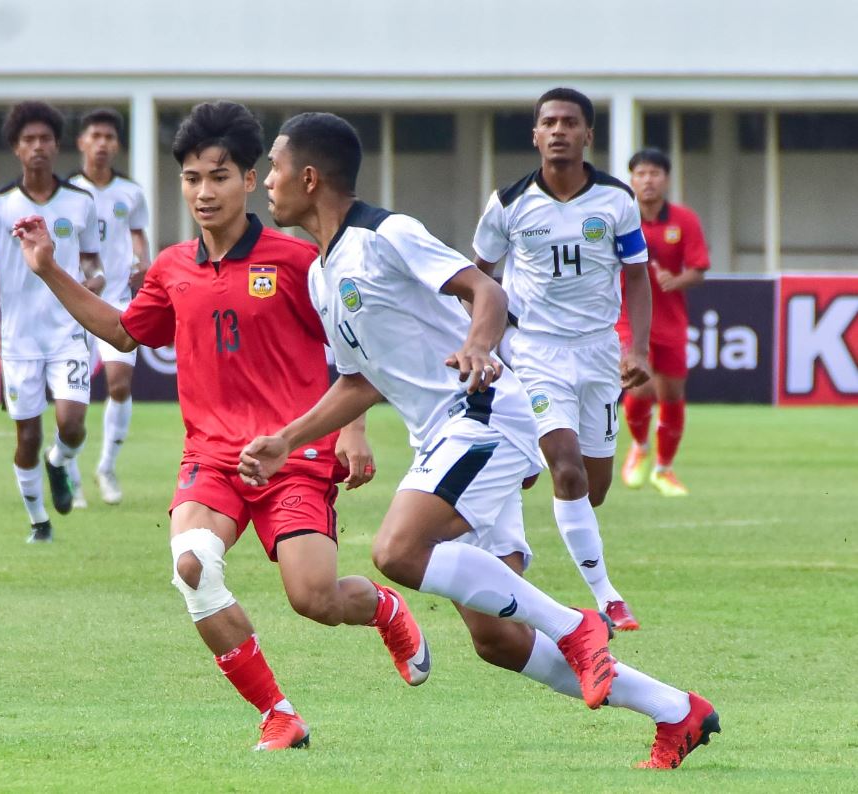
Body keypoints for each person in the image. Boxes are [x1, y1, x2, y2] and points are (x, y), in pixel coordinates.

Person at [239, 111, 718, 769]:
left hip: (484, 414)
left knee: (398, 549)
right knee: (494, 638)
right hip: (444, 437)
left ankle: (577, 626)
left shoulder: (387, 234)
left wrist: (477, 346)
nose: (267, 181)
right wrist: (286, 440)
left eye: (275, 166)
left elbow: (485, 289)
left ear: (311, 177)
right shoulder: (324, 275)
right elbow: (358, 382)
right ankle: (676, 711)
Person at [10, 101, 429, 752]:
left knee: (313, 598)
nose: (204, 192)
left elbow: (354, 352)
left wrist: (352, 432)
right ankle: (278, 715)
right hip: (212, 461)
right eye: (192, 179)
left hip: (294, 455)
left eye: (219, 176)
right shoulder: (174, 268)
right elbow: (123, 330)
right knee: (193, 566)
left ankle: (384, 609)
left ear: (249, 178)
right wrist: (49, 270)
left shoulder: (298, 263)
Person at [472, 87, 649, 631]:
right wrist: (481, 341)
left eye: (569, 122)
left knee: (591, 490)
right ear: (535, 134)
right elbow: (476, 276)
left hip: (597, 352)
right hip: (535, 350)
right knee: (566, 470)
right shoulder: (509, 202)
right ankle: (607, 596)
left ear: (587, 134)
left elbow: (638, 275)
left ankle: (526, 455)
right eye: (548, 122)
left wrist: (637, 346)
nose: (558, 131)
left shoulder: (616, 200)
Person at [0, 101, 104, 543]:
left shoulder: (80, 202)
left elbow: (94, 264)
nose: (38, 147)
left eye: (45, 139)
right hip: (19, 339)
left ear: (57, 145)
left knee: (72, 423)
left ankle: (59, 461)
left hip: (67, 332)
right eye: (28, 140)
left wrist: (93, 283)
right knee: (26, 436)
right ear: (16, 149)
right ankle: (39, 521)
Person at [68, 108, 152, 506]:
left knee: (119, 383)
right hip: (75, 302)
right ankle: (67, 469)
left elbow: (138, 236)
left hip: (118, 299)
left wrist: (143, 262)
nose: (102, 143)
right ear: (82, 142)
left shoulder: (130, 193)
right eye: (95, 136)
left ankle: (106, 467)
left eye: (109, 137)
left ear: (117, 145)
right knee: (74, 393)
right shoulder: (66, 191)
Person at [618, 148, 709, 497]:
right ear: (632, 180)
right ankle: (640, 446)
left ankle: (664, 469)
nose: (648, 180)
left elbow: (699, 268)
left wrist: (678, 280)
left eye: (655, 173)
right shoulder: (620, 217)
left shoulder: (683, 220)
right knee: (640, 385)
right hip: (627, 317)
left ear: (666, 179)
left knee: (671, 394)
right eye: (641, 174)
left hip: (671, 321)